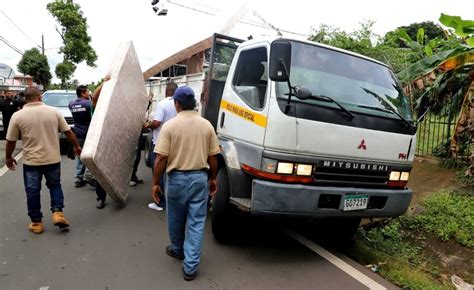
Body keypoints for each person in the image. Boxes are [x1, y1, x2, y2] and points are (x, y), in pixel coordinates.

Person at [152, 86, 219, 281]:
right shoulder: (206, 125)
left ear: (177, 104)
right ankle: (190, 267)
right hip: (199, 178)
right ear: (194, 103)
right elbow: (213, 156)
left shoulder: (170, 126)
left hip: (176, 179)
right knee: (197, 223)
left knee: (175, 217)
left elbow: (161, 159)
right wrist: (213, 178)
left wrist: (156, 183)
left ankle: (178, 249)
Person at [5, 87, 81, 234]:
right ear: (40, 97)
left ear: (25, 99)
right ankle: (58, 213)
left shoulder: (17, 116)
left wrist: (8, 157)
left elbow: (10, 141)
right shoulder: (54, 112)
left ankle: (36, 223)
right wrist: (76, 146)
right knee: (54, 186)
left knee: (32, 191)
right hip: (52, 159)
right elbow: (68, 132)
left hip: (31, 162)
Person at [145, 82, 178, 211]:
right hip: (175, 144)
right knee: (171, 173)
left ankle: (160, 202)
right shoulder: (180, 104)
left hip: (160, 143)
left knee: (158, 172)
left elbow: (157, 123)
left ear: (166, 91)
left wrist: (148, 125)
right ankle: (173, 200)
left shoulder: (163, 103)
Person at [90, 75, 111, 209]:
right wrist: (104, 83)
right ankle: (101, 197)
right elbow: (95, 98)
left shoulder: (115, 108)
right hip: (100, 144)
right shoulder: (97, 108)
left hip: (114, 143)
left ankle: (117, 192)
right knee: (100, 172)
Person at [69, 85, 92, 188]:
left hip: (78, 133)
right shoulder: (88, 104)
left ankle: (78, 178)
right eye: (87, 92)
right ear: (83, 93)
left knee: (80, 155)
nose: (89, 93)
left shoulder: (71, 104)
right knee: (90, 155)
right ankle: (89, 175)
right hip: (88, 133)